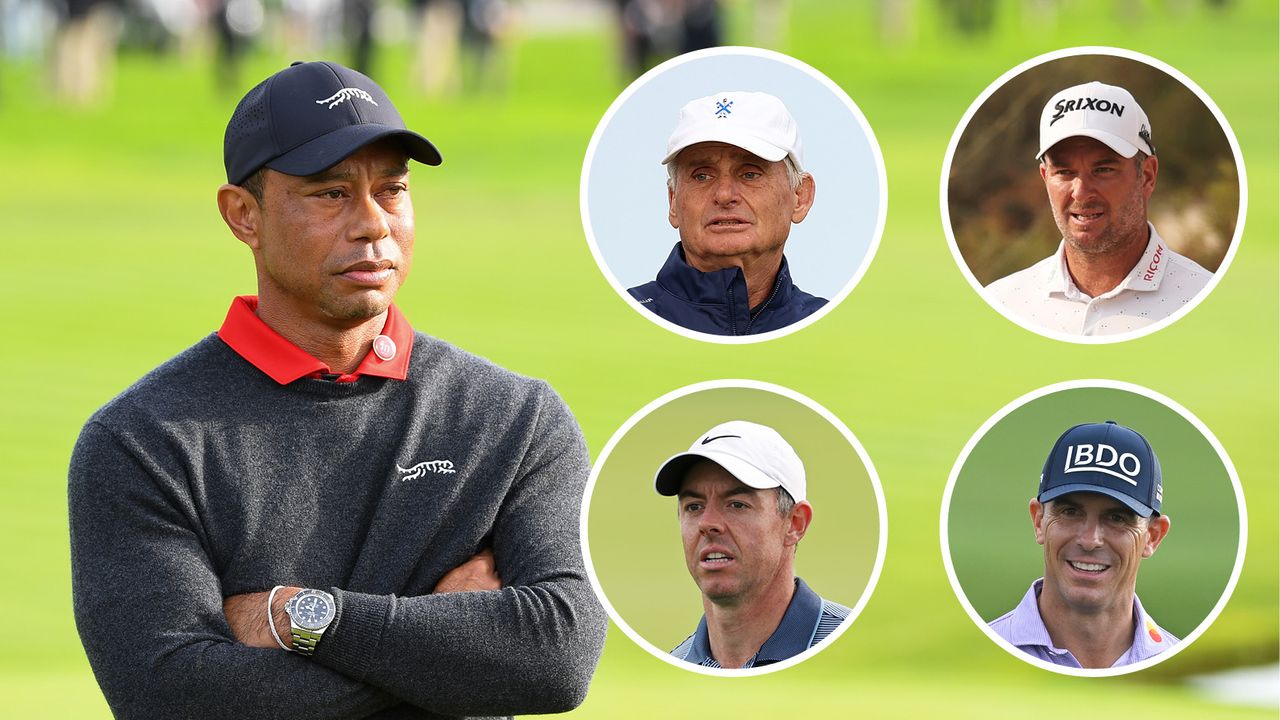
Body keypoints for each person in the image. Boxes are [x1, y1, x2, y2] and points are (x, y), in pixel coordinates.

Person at [68, 60, 606, 718]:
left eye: (393, 190)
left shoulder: (516, 421)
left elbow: (556, 658)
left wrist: (299, 616)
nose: (373, 223)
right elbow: (171, 694)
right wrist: (440, 651)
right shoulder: (141, 442)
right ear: (243, 216)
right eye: (331, 194)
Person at [985, 81, 1212, 336]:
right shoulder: (1000, 303)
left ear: (1147, 175)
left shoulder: (1209, 304)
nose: (1081, 191)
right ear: (1045, 177)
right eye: (1064, 172)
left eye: (1103, 170)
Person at [653, 421, 849, 668]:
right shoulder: (676, 663)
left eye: (737, 504)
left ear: (795, 523)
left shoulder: (852, 644)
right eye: (694, 506)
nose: (708, 523)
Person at [628, 91, 824, 336]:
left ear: (800, 197)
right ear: (673, 200)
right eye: (702, 176)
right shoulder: (618, 322)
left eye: (750, 173)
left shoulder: (837, 331)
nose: (724, 194)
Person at [989, 420, 1176, 669]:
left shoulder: (1176, 660)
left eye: (1117, 518)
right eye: (1070, 512)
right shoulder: (974, 656)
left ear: (1152, 536)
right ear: (1038, 520)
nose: (1089, 541)